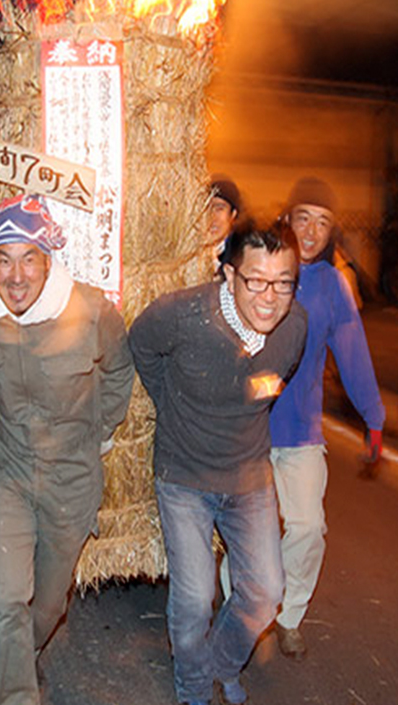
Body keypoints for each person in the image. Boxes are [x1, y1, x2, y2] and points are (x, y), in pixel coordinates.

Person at [129, 222, 307, 705]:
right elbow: (141, 343)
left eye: (283, 282)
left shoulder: (294, 328)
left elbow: (270, 382)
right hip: (184, 474)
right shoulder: (184, 315)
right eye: (256, 280)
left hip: (249, 476)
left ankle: (221, 663)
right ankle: (192, 691)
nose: (270, 297)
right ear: (229, 275)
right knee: (192, 598)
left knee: (266, 592)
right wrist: (170, 403)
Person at [0, 194, 134, 705]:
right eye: (3, 260)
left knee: (47, 606)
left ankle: (18, 655)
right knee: (4, 602)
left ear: (48, 259)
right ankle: (16, 692)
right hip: (11, 474)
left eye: (28, 259)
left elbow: (119, 370)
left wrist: (100, 430)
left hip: (71, 480)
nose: (15, 276)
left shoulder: (89, 310)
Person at [271, 178, 385, 660]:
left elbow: (353, 352)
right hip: (246, 430)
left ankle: (289, 614)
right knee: (245, 535)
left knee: (306, 527)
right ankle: (244, 609)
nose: (312, 231)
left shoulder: (333, 285)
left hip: (299, 431)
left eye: (322, 222)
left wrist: (374, 418)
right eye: (303, 218)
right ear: (287, 219)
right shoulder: (263, 264)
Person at [208, 175, 241, 276]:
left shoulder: (239, 254)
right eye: (207, 209)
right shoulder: (190, 253)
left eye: (219, 209)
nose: (212, 217)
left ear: (233, 214)